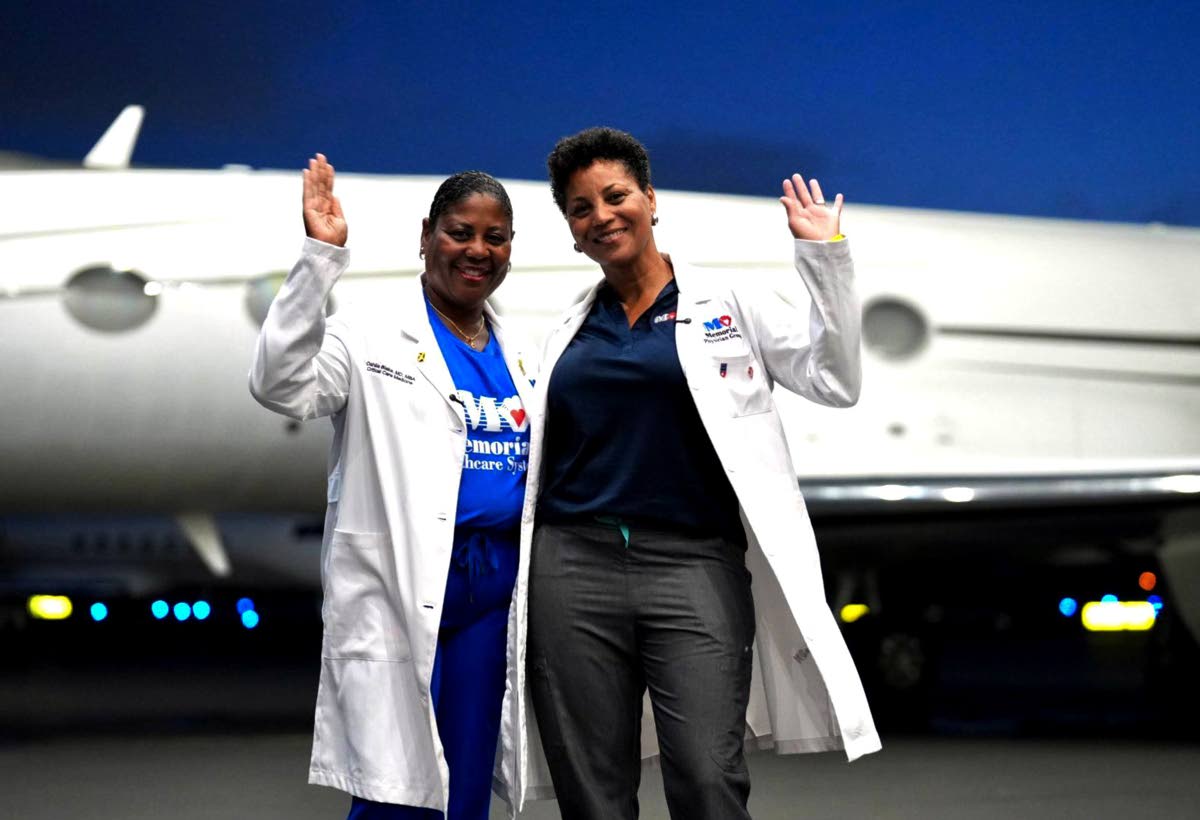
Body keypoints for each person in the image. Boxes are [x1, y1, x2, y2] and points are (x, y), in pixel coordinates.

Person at [521, 127, 882, 819]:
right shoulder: (566, 333)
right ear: (571, 232)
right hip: (572, 567)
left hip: (691, 564)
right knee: (592, 788)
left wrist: (824, 257)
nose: (602, 215)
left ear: (651, 200)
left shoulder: (726, 305)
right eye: (580, 207)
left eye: (616, 195)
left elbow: (835, 380)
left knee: (707, 775)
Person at [249, 154, 536, 820]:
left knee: (466, 790)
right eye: (461, 232)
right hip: (405, 587)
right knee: (396, 795)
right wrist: (319, 257)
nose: (478, 250)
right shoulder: (369, 333)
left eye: (495, 237)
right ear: (427, 235)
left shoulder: (520, 351)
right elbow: (278, 385)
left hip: (491, 600)